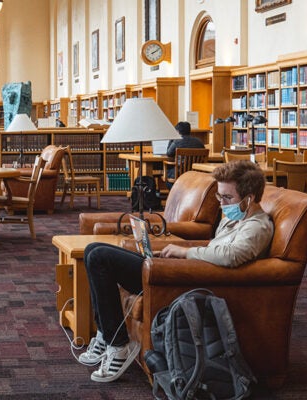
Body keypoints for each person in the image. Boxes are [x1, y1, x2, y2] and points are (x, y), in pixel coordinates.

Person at [77, 160, 273, 383]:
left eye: (227, 198)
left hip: (185, 285)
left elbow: (230, 256)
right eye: (220, 197)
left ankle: (117, 344)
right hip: (182, 272)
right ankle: (105, 331)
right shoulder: (234, 219)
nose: (221, 204)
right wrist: (175, 253)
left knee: (101, 259)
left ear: (248, 199)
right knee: (93, 250)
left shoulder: (258, 226)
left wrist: (185, 253)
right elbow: (212, 248)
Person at [165, 121, 205, 185]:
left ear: (177, 131)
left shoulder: (177, 141)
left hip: (179, 172)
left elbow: (169, 154)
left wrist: (171, 139)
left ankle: (177, 193)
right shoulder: (199, 142)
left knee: (167, 175)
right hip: (196, 173)